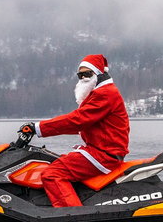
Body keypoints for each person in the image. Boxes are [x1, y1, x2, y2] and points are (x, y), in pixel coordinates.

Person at [19, 54, 130, 207]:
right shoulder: (99, 93)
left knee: (52, 174)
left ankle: (71, 215)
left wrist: (37, 128)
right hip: (101, 151)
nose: (84, 78)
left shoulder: (105, 94)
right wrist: (41, 129)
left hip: (104, 155)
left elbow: (78, 120)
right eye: (80, 74)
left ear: (98, 74)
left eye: (88, 74)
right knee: (51, 160)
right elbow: (83, 124)